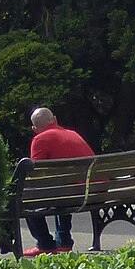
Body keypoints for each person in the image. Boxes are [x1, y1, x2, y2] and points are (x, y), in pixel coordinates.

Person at [23, 107, 94, 256]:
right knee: (62, 191)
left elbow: (36, 176)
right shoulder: (73, 134)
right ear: (55, 119)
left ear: (34, 129)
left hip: (70, 194)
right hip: (94, 191)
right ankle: (64, 241)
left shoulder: (39, 139)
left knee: (26, 200)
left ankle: (45, 244)